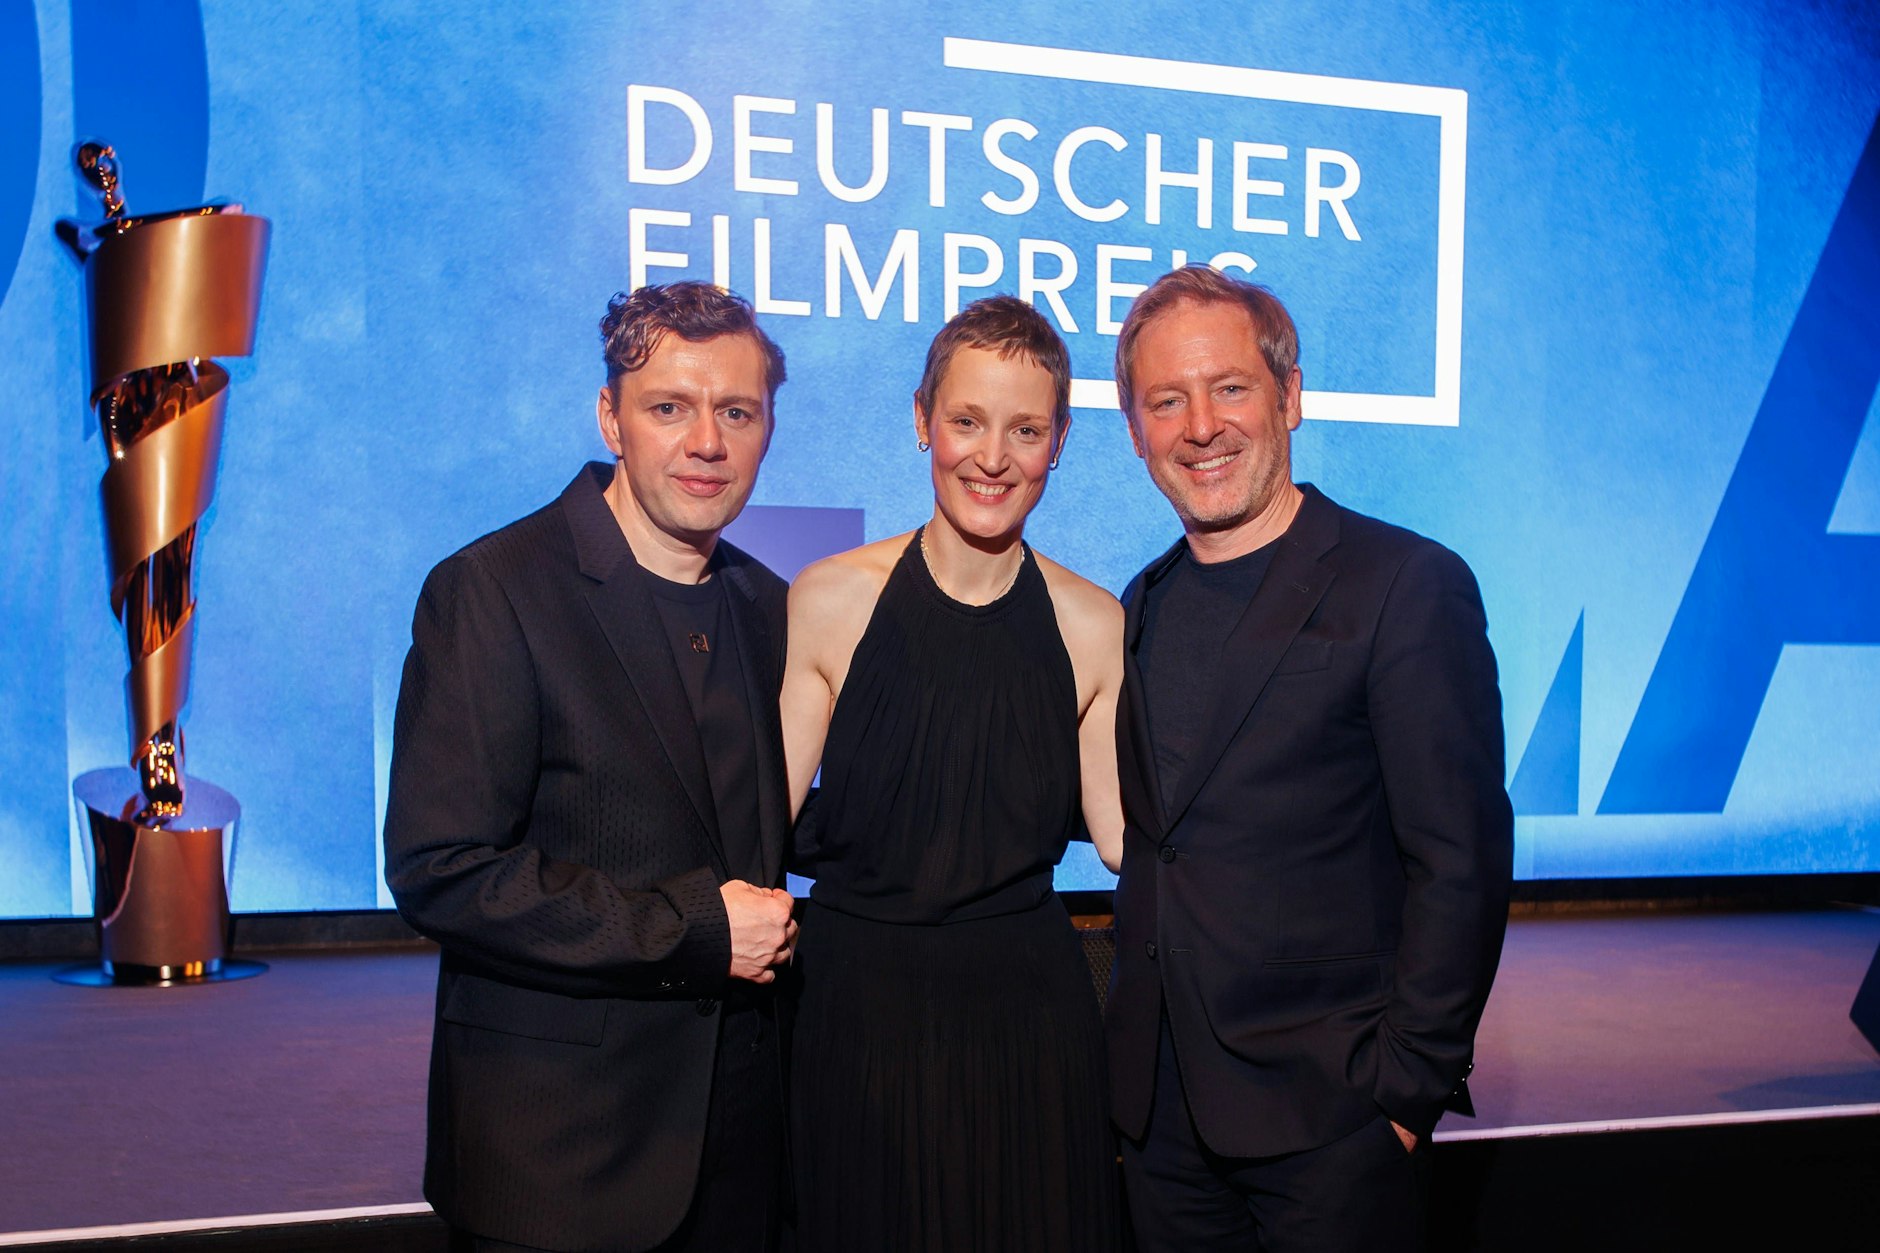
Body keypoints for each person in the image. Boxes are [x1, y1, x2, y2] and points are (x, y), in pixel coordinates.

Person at [1104, 265, 1514, 1252]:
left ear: (1288, 395)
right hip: (1161, 1124)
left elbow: (1458, 858)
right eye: (1166, 400)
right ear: (1135, 429)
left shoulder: (1403, 583)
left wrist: (1403, 1093)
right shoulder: (1139, 602)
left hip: (1330, 1123)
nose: (1200, 425)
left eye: (1229, 387)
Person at [383, 281, 798, 1253]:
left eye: (736, 411)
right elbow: (441, 867)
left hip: (743, 1156)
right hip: (561, 1163)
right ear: (609, 416)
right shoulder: (492, 590)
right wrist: (692, 929)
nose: (707, 442)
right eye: (669, 407)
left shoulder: (773, 608)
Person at [778, 295, 1124, 1252]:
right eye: (967, 421)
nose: (992, 456)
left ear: (1059, 443)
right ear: (922, 420)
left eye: (1026, 429)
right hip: (855, 1018)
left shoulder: (1096, 626)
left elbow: (1135, 841)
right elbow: (750, 826)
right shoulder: (829, 599)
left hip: (1029, 1026)